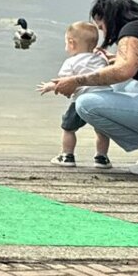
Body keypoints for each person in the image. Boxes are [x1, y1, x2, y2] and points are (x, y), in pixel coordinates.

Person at [48, 0, 138, 176]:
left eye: (102, 27)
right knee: (121, 86)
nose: (104, 35)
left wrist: (76, 80)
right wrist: (115, 60)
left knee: (86, 104)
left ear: (109, 19)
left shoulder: (132, 30)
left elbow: (123, 71)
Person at [49, 21, 113, 167]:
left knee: (68, 129)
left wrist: (50, 86)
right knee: (102, 130)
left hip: (81, 100)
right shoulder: (101, 60)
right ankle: (102, 158)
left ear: (71, 43)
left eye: (66, 43)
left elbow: (64, 82)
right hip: (104, 99)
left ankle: (67, 156)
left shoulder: (70, 62)